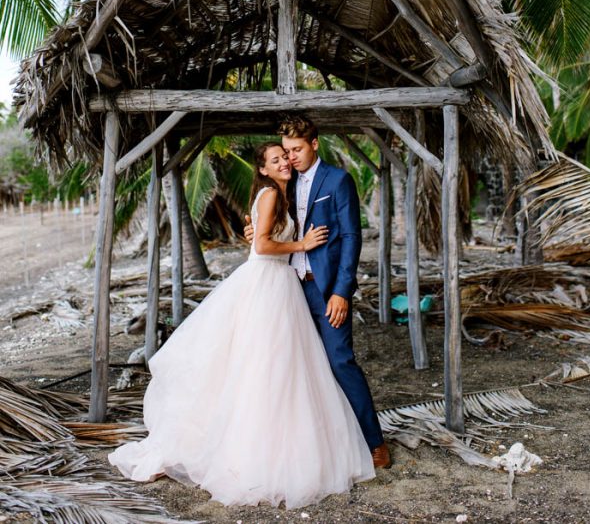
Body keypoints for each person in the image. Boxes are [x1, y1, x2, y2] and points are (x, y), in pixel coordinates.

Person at [108, 142, 375, 508]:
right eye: (277, 159)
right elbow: (263, 247)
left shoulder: (284, 193)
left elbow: (262, 235)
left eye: (287, 156)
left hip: (284, 287)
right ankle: (250, 452)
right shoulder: (269, 195)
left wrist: (271, 235)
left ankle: (283, 443)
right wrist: (301, 243)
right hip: (267, 284)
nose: (285, 162)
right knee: (260, 366)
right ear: (263, 169)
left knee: (285, 368)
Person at [244, 117, 391, 469]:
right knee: (296, 367)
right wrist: (250, 232)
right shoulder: (285, 183)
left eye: (296, 150)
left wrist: (342, 292)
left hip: (325, 290)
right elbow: (266, 227)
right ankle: (315, 444)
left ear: (314, 144)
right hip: (287, 290)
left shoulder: (338, 180)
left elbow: (352, 238)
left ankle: (374, 443)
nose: (290, 158)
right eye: (286, 151)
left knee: (340, 361)